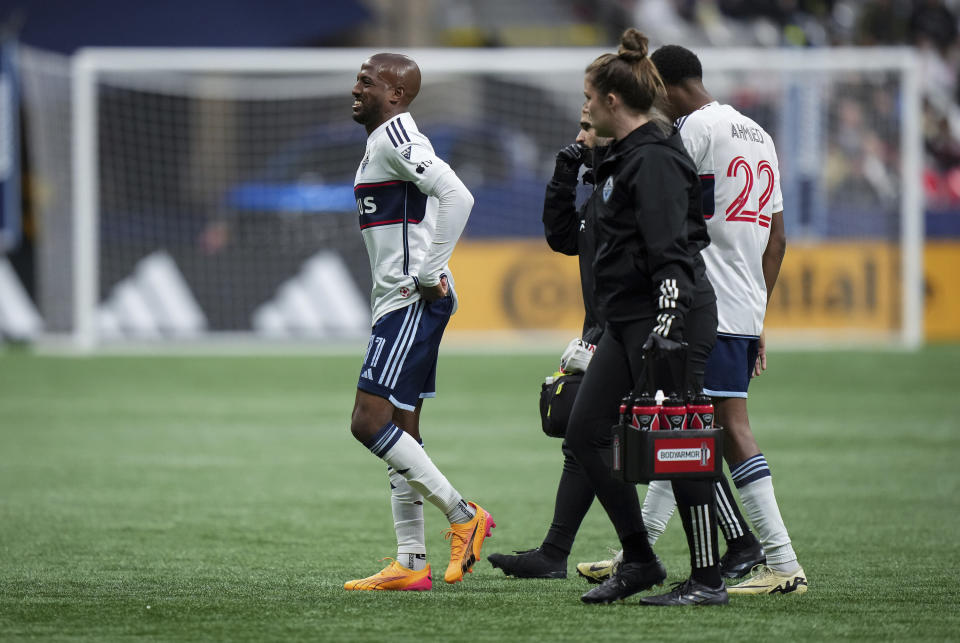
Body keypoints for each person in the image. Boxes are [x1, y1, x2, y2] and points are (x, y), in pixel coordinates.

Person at [487, 113, 761, 583]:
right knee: (586, 431)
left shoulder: (648, 172)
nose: (578, 136)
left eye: (588, 124)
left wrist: (665, 320)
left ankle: (734, 546)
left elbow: (673, 251)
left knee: (671, 436)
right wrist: (564, 176)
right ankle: (559, 552)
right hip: (616, 326)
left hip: (658, 321)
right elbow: (563, 238)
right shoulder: (606, 191)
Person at [579, 44, 806, 596]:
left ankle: (780, 560)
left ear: (668, 87)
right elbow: (776, 235)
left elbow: (661, 214)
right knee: (680, 424)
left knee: (712, 430)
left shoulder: (692, 132)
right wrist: (759, 310)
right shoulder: (758, 133)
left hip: (698, 296)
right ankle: (644, 550)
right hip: (742, 297)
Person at [566, 28, 728, 606]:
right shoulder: (624, 157)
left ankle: (708, 579)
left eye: (588, 96)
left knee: (679, 445)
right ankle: (639, 559)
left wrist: (665, 330)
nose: (583, 107)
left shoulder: (654, 158)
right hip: (629, 322)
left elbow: (672, 257)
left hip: (668, 319)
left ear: (612, 101)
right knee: (585, 434)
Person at [342, 53, 494, 592]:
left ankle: (463, 515)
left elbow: (458, 195)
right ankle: (410, 561)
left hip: (409, 299)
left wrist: (429, 273)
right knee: (401, 428)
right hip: (402, 299)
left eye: (368, 81)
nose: (356, 87)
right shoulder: (382, 138)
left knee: (368, 421)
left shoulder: (396, 137)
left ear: (396, 94)